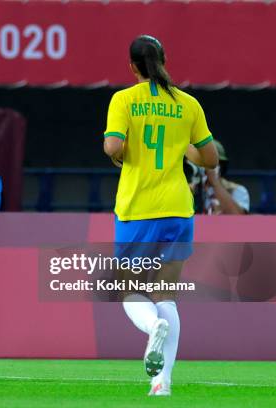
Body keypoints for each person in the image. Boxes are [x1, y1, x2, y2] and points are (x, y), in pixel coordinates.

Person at [103, 35, 218, 396]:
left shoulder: (124, 99)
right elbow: (211, 158)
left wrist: (119, 152)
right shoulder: (187, 104)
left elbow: (113, 146)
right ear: (165, 60)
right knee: (166, 293)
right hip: (178, 208)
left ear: (132, 66)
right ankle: (161, 383)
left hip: (139, 207)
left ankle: (152, 327)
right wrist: (182, 148)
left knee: (127, 290)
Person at [204, 140, 250, 214]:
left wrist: (215, 183)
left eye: (211, 164)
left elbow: (239, 218)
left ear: (221, 167)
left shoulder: (237, 190)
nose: (204, 168)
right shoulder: (189, 189)